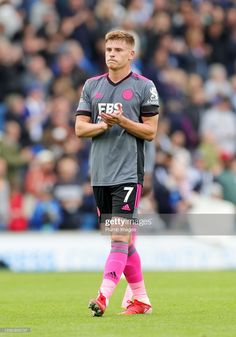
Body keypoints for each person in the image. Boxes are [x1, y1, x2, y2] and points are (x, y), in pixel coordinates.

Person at [75, 30, 159, 316]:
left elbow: (150, 131)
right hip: (99, 175)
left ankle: (102, 297)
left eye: (118, 50)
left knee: (119, 239)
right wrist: (104, 125)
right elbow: (79, 129)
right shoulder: (91, 86)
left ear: (131, 54)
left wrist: (122, 120)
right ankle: (141, 299)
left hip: (127, 175)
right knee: (126, 242)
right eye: (109, 49)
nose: (111, 54)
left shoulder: (144, 87)